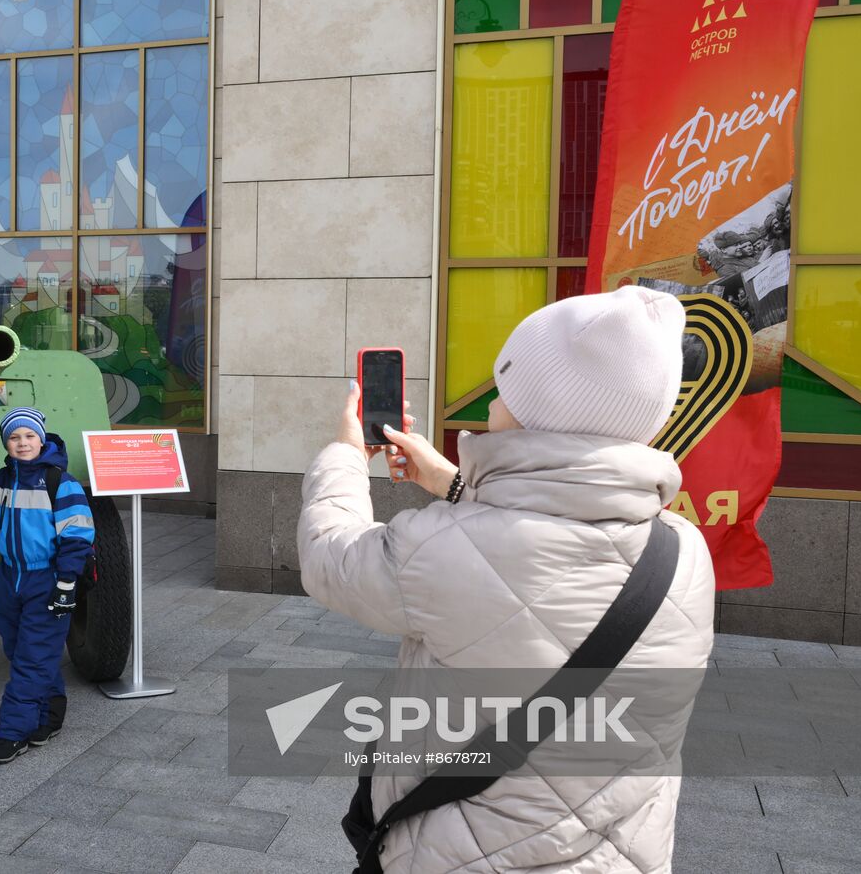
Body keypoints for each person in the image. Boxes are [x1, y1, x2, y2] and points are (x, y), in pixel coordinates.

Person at [299, 286, 715, 873]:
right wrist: (457, 486)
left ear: (530, 413)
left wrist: (344, 454)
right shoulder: (684, 550)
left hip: (459, 855)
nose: (492, 403)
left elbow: (328, 557)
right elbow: (548, 539)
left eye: (504, 388)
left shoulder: (438, 547)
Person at [0, 407, 96, 764]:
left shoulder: (59, 483)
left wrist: (66, 582)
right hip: (9, 578)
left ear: (42, 438)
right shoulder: (3, 479)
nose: (22, 443)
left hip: (46, 581)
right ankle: (49, 715)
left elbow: (78, 535)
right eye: (14, 437)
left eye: (29, 436)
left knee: (31, 661)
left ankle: (12, 734)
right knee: (21, 651)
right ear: (6, 443)